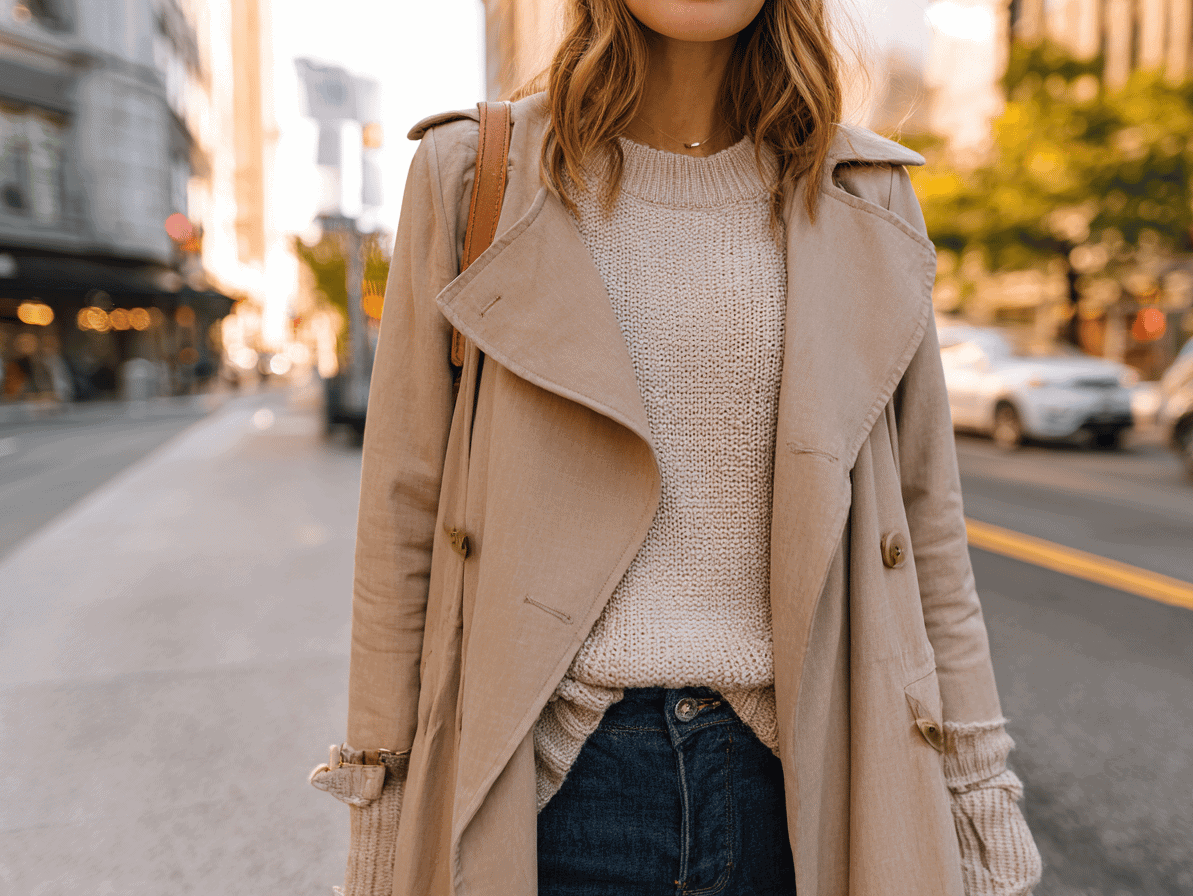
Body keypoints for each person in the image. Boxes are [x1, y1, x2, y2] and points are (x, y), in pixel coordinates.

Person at [310, 0, 1043, 894]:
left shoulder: (865, 190)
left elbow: (926, 525)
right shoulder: (475, 175)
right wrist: (382, 811)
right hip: (552, 793)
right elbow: (403, 516)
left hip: (810, 785)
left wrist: (977, 788)